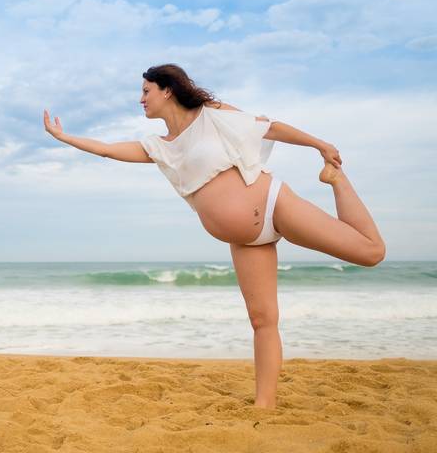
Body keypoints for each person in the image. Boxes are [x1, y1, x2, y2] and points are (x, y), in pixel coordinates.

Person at [42, 63, 385, 409]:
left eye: (146, 91)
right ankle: (264, 405)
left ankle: (337, 180)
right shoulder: (159, 147)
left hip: (272, 204)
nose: (140, 99)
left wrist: (319, 145)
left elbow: (268, 127)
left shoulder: (210, 113)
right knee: (262, 320)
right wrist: (64, 137)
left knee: (371, 253)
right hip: (246, 241)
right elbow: (107, 149)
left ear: (167, 90)